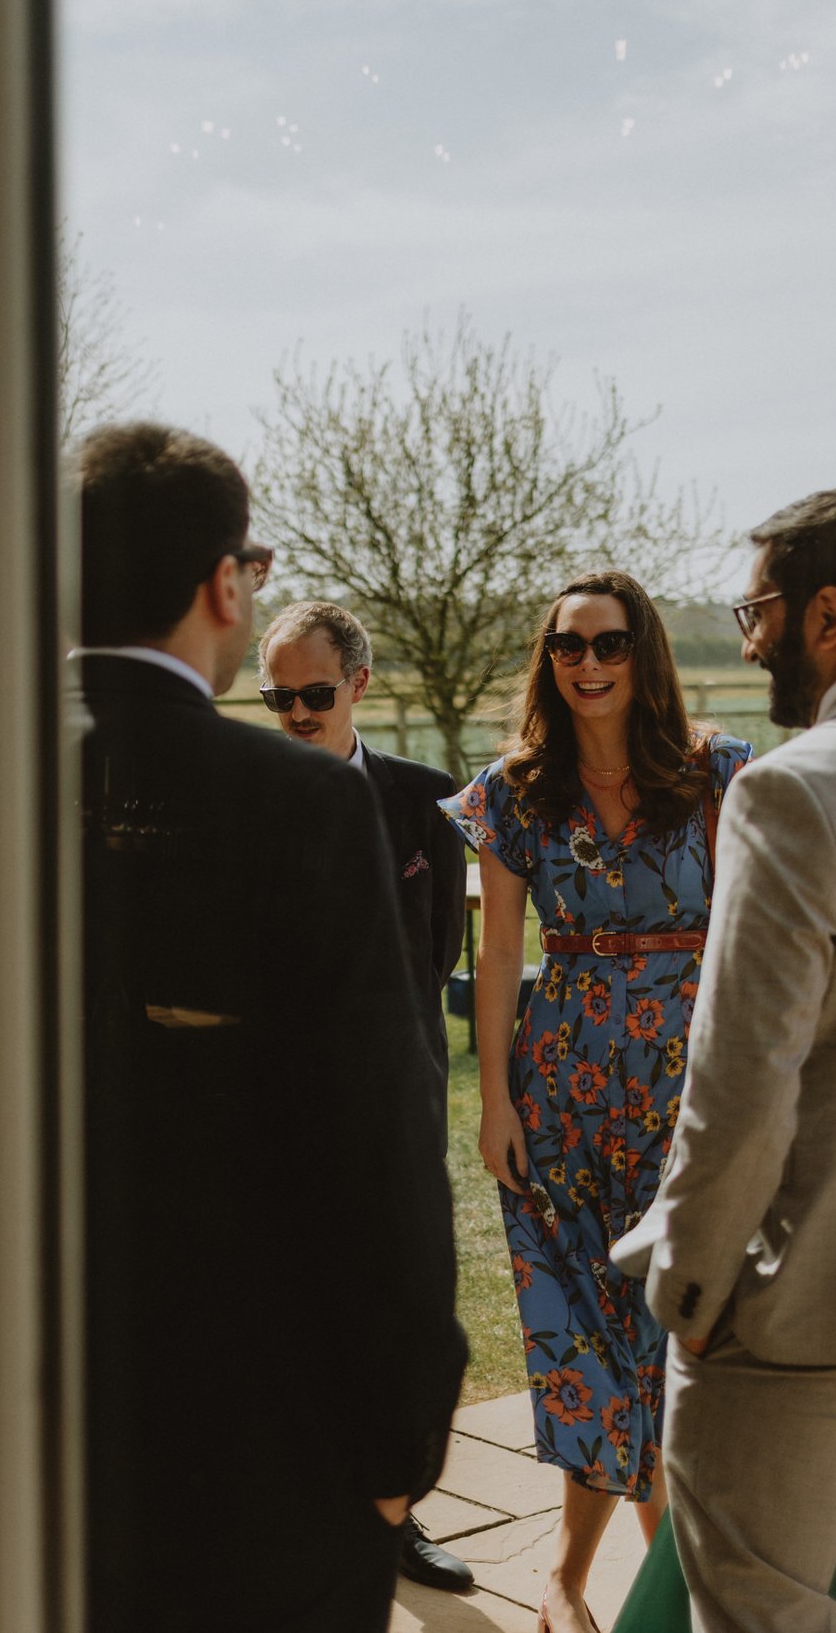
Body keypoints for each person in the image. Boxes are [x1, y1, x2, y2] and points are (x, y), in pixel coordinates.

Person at [75, 422, 466, 1633]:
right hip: (254, 1425)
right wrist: (402, 1437)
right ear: (224, 583)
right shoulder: (292, 803)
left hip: (21, 1408)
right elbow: (376, 1143)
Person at [616, 487, 836, 1633]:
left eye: (755, 609)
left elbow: (739, 1087)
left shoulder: (795, 786)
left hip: (796, 1307)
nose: (748, 637)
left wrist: (691, 1287)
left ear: (828, 615)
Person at [441, 570, 753, 1633]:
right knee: (583, 1347)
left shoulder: (717, 775)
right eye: (568, 646)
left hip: (687, 1087)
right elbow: (494, 958)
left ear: (643, 652)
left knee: (671, 1345)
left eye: (609, 643)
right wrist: (495, 1103)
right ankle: (580, 1580)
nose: (587, 664)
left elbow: (758, 938)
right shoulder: (515, 788)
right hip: (561, 1083)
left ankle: (652, 1593)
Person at [256, 599, 475, 1595]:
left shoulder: (430, 803)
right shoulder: (244, 802)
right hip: (274, 1108)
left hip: (398, 1098)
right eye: (276, 696)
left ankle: (395, 1513)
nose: (295, 713)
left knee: (390, 1312)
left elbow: (437, 953)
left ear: (359, 684)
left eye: (312, 693)